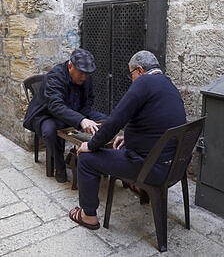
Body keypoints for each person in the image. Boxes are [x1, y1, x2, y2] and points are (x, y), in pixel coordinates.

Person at [68, 50, 186, 230]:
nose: (131, 79)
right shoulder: (168, 84)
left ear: (139, 70)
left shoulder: (143, 83)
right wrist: (129, 137)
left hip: (152, 169)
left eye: (131, 74)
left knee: (85, 159)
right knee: (120, 147)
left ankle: (88, 215)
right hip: (174, 166)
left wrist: (90, 145)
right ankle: (139, 189)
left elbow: (115, 120)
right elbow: (156, 124)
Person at [23, 48, 106, 183]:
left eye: (87, 74)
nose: (84, 77)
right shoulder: (55, 76)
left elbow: (90, 98)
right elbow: (55, 106)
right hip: (48, 114)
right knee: (49, 131)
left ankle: (79, 156)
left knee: (105, 121)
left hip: (76, 111)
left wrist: (82, 117)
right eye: (81, 73)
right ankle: (59, 166)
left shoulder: (85, 77)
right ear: (70, 66)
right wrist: (80, 120)